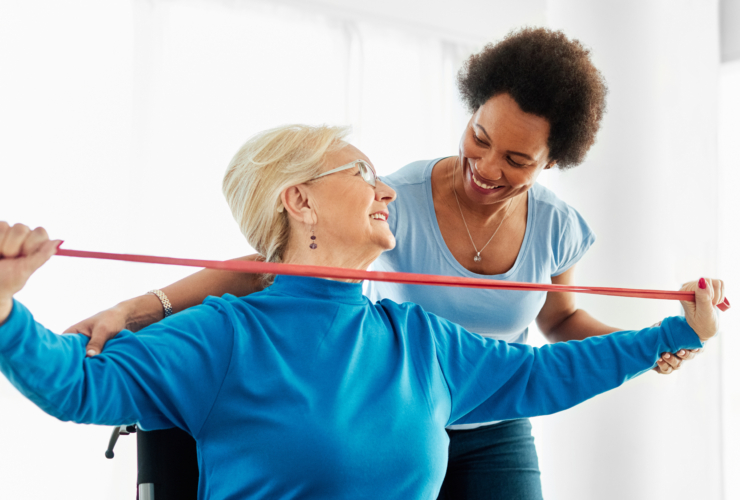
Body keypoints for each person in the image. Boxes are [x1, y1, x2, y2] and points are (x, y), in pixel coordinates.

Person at [64, 29, 720, 499]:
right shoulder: (391, 199)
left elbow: (562, 322)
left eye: (517, 161)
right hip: (395, 407)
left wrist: (651, 345)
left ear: (552, 162)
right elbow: (272, 266)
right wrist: (139, 308)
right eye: (481, 139)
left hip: (492, 412)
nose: (488, 168)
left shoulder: (558, 227)